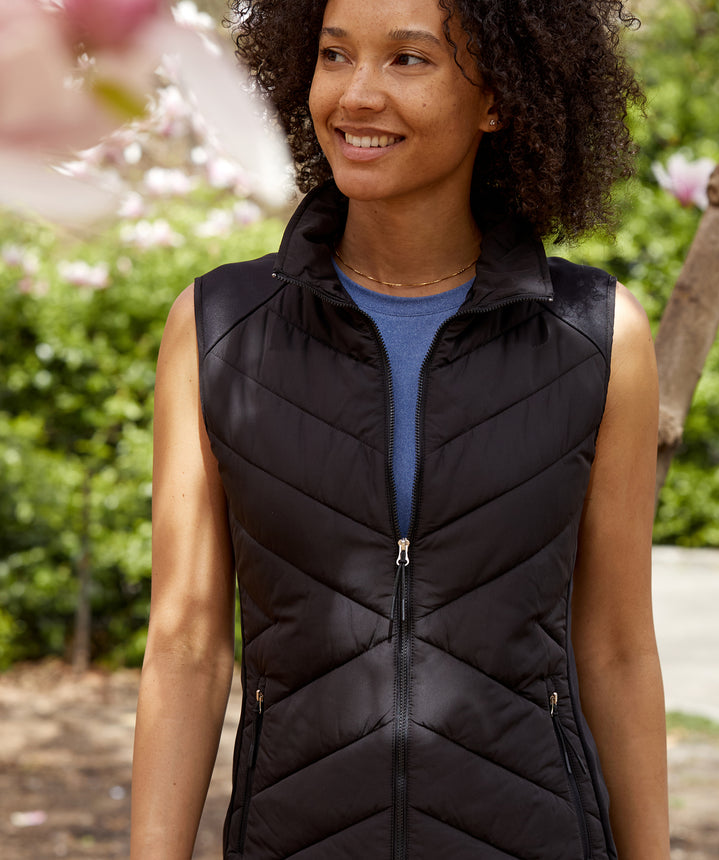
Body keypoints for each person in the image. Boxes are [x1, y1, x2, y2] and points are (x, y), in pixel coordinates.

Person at [131, 0, 670, 857]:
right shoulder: (217, 325)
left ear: (498, 98)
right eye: (335, 55)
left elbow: (616, 651)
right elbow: (187, 645)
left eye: (408, 60)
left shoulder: (598, 335)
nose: (356, 95)